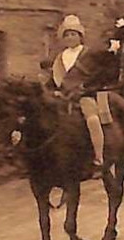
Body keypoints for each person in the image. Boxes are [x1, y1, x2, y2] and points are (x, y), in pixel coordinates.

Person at [45, 15, 107, 177]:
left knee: (92, 119)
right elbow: (53, 79)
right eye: (67, 35)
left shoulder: (88, 54)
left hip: (84, 95)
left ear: (80, 36)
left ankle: (98, 158)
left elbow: (96, 77)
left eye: (74, 34)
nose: (70, 38)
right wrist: (52, 90)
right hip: (62, 97)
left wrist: (83, 90)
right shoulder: (59, 58)